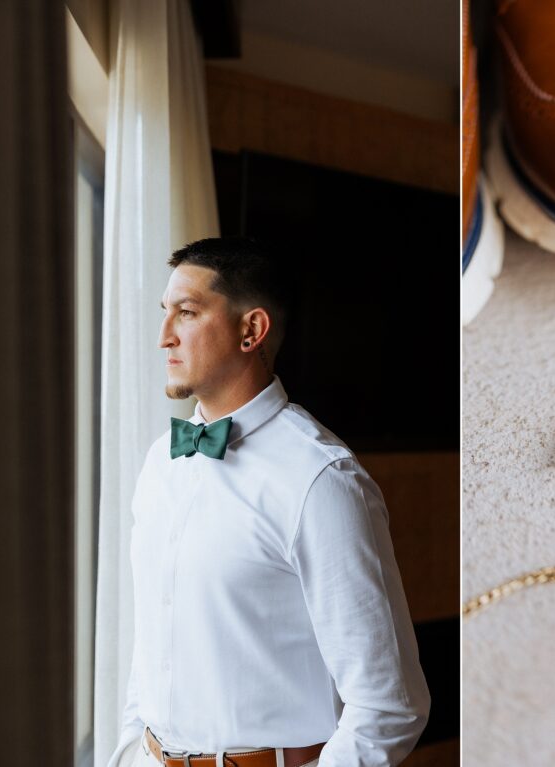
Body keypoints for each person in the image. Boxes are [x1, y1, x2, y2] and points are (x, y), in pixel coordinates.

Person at [106, 237, 431, 767]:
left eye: (186, 313)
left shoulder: (320, 477)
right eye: (164, 313)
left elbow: (390, 705)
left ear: (250, 330)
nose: (163, 336)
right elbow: (153, 646)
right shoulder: (159, 463)